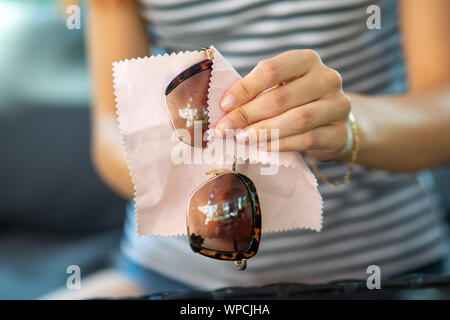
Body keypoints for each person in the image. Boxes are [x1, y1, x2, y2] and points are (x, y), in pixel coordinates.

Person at [55, 0, 450, 298]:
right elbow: (112, 132)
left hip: (382, 268)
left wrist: (344, 127)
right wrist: (191, 178)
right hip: (172, 273)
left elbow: (442, 107)